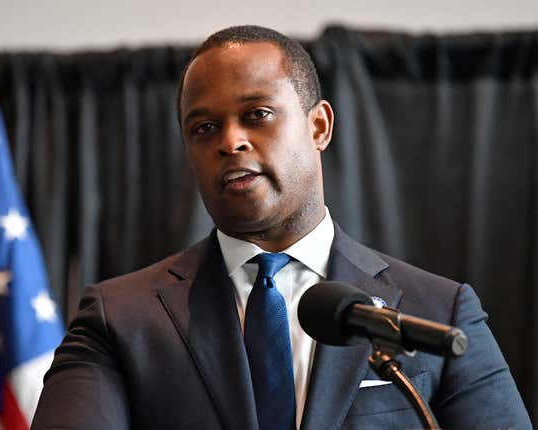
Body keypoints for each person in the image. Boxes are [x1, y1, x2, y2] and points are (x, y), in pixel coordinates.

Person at [31, 25, 531, 430]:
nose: (230, 142)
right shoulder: (117, 318)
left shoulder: (440, 312)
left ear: (319, 127)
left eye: (258, 114)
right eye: (204, 128)